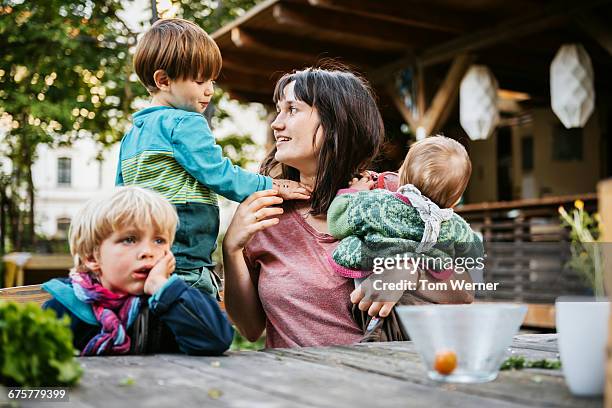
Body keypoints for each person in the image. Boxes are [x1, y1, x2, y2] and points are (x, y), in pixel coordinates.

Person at [223, 66, 471, 349]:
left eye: (292, 110)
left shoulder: (395, 194)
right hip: (294, 385)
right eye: (278, 111)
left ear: (335, 121)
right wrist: (231, 250)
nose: (276, 124)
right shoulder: (266, 211)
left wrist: (409, 268)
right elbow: (250, 328)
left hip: (385, 381)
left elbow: (464, 288)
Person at [115, 18, 309, 299]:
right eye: (199, 80)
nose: (209, 90)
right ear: (163, 80)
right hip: (183, 254)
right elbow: (218, 173)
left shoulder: (133, 134)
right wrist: (270, 185)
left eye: (212, 81)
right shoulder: (185, 122)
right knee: (195, 313)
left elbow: (119, 197)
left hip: (144, 251)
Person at [42, 186, 234, 356]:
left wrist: (162, 287)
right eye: (130, 239)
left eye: (159, 241)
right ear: (93, 257)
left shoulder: (169, 302)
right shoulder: (64, 308)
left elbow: (216, 339)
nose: (147, 252)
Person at [328, 135, 483, 279]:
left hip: (373, 266)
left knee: (352, 242)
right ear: (455, 201)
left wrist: (353, 192)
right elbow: (476, 252)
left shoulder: (376, 203)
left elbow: (337, 221)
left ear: (400, 176)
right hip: (427, 273)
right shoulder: (454, 225)